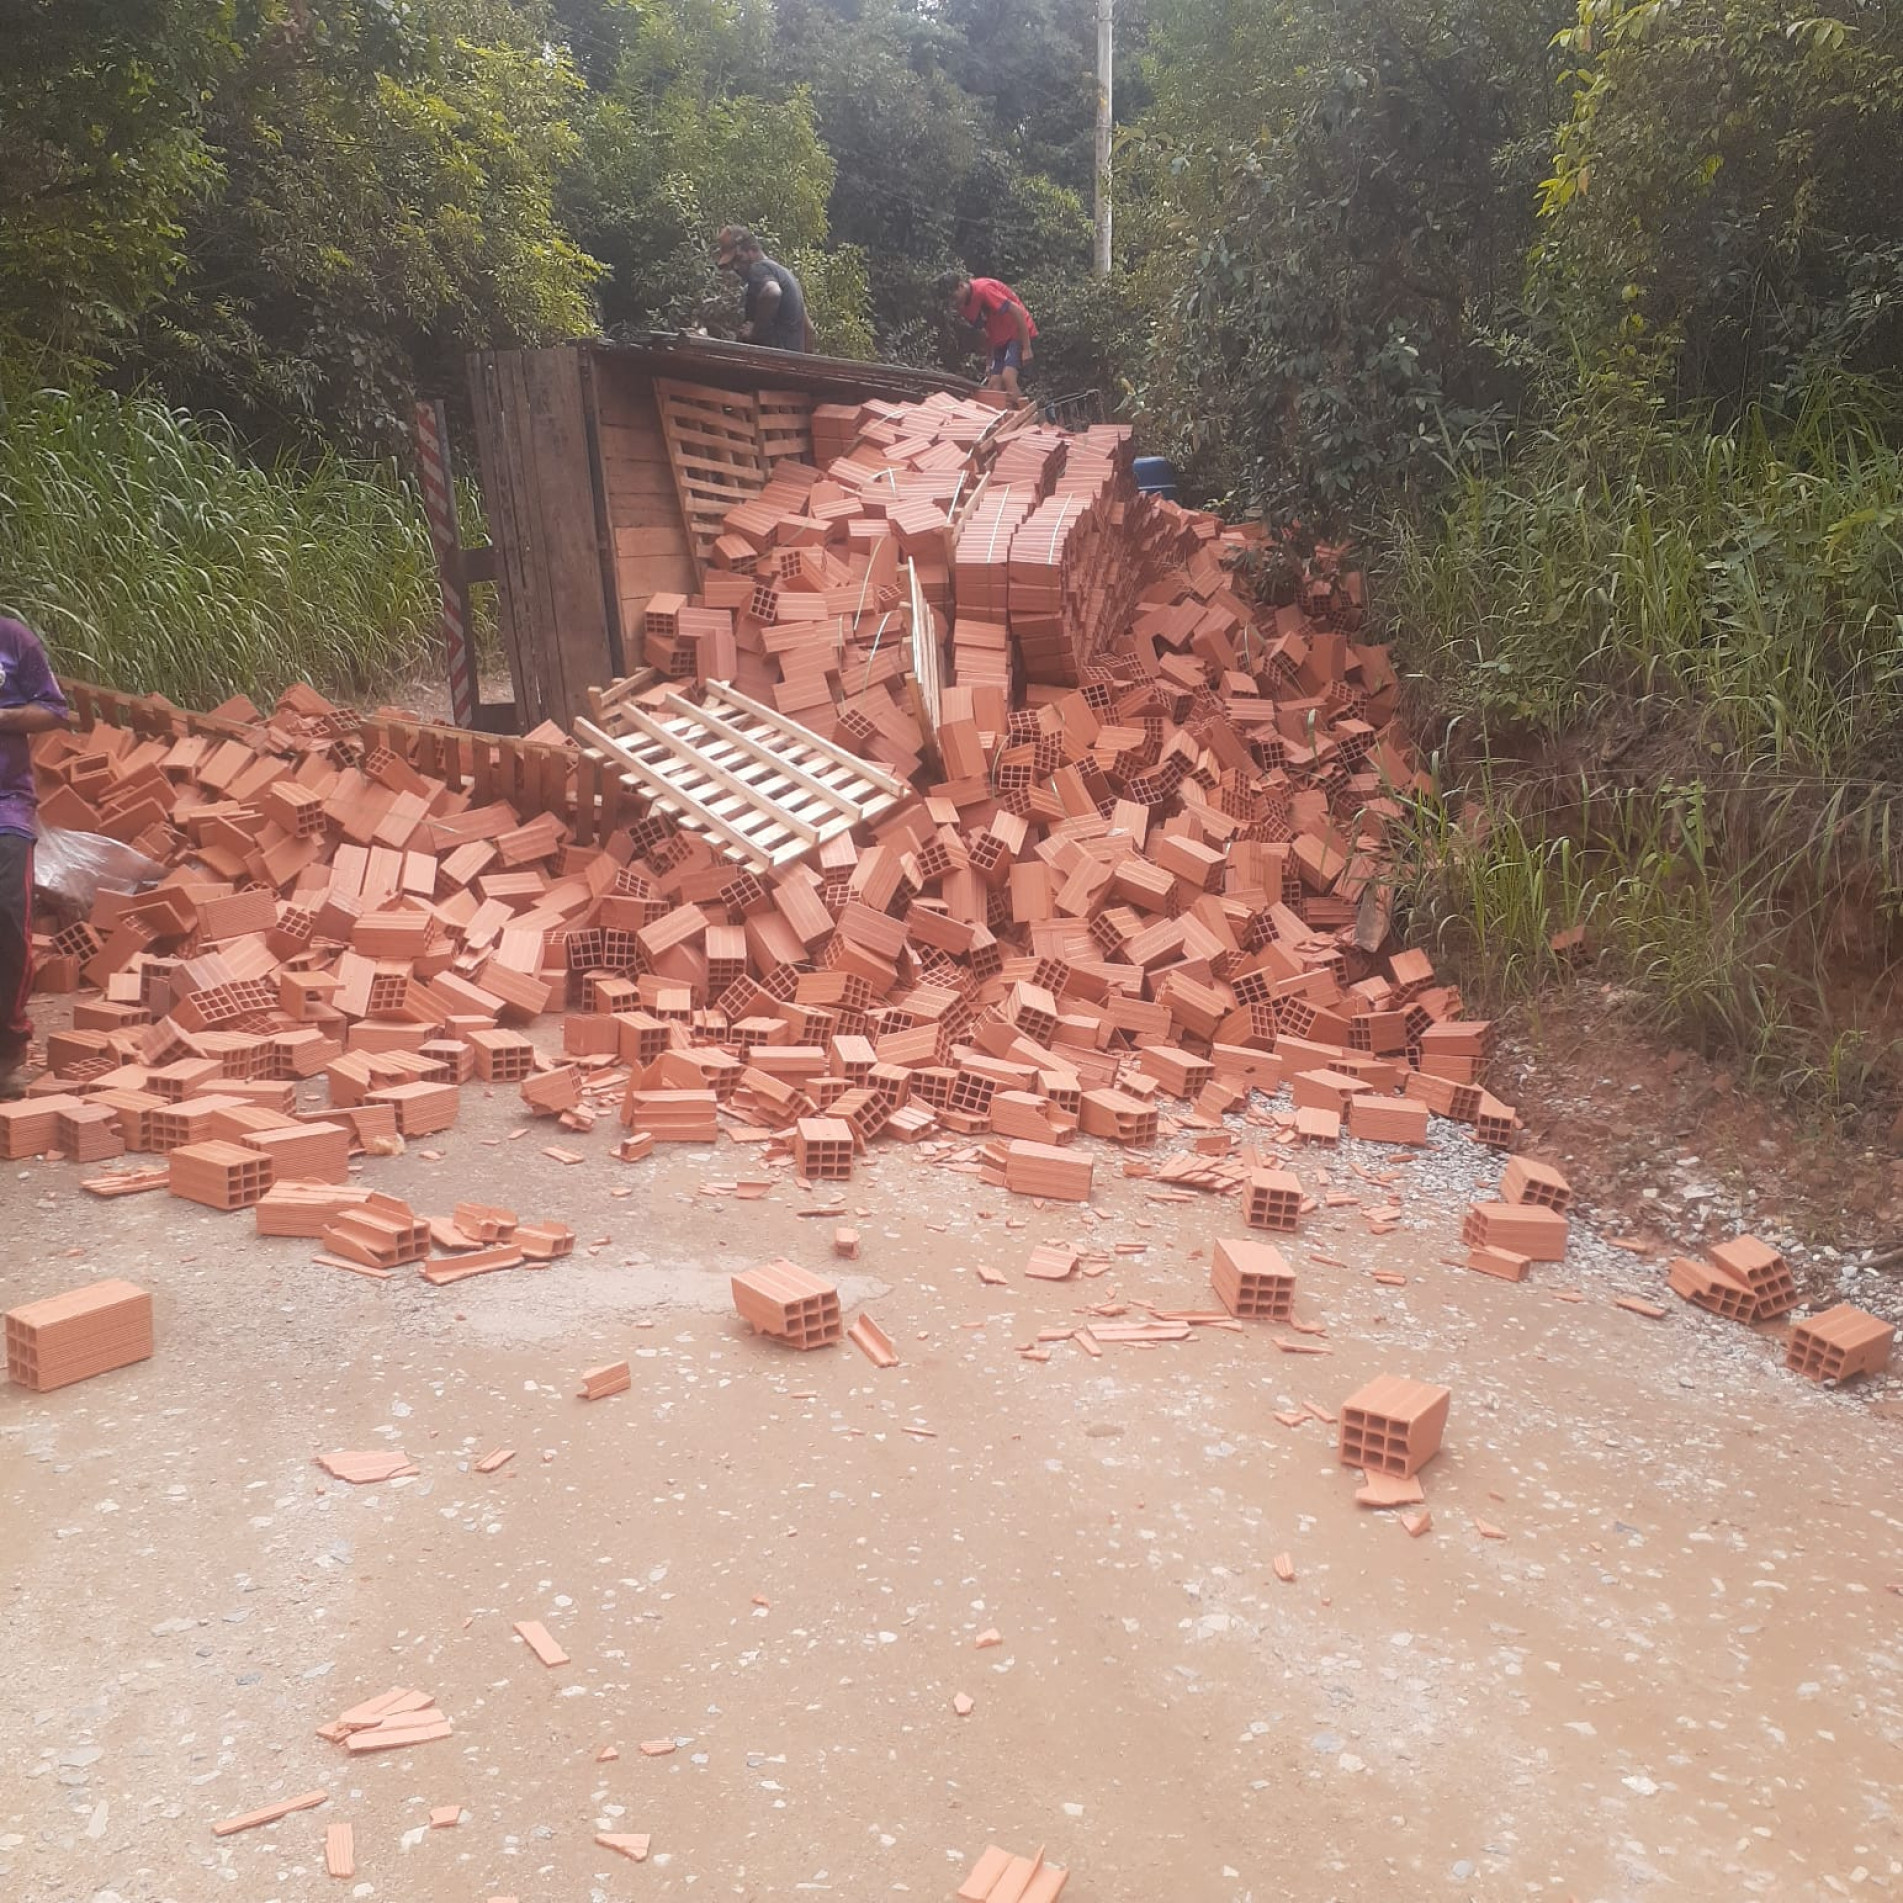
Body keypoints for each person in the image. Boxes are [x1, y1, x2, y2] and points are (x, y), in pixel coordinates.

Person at [0, 615, 70, 1095]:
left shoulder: (12, 639)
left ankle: (8, 1047)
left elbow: (53, 709)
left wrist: (3, 716)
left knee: (8, 915)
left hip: (6, 803)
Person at [715, 226, 816, 354]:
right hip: (788, 360)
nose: (735, 267)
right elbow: (809, 329)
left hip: (772, 358)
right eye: (731, 264)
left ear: (752, 249)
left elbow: (772, 292)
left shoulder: (759, 268)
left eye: (739, 259)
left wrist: (756, 332)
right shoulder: (786, 275)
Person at [939, 270, 1037, 401]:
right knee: (993, 386)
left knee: (1008, 378)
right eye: (949, 301)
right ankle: (1004, 412)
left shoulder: (984, 290)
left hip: (1017, 333)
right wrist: (989, 362)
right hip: (1000, 340)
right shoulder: (964, 308)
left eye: (954, 298)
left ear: (961, 286)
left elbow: (1017, 311)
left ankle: (1026, 411)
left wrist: (1026, 348)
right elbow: (986, 333)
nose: (953, 303)